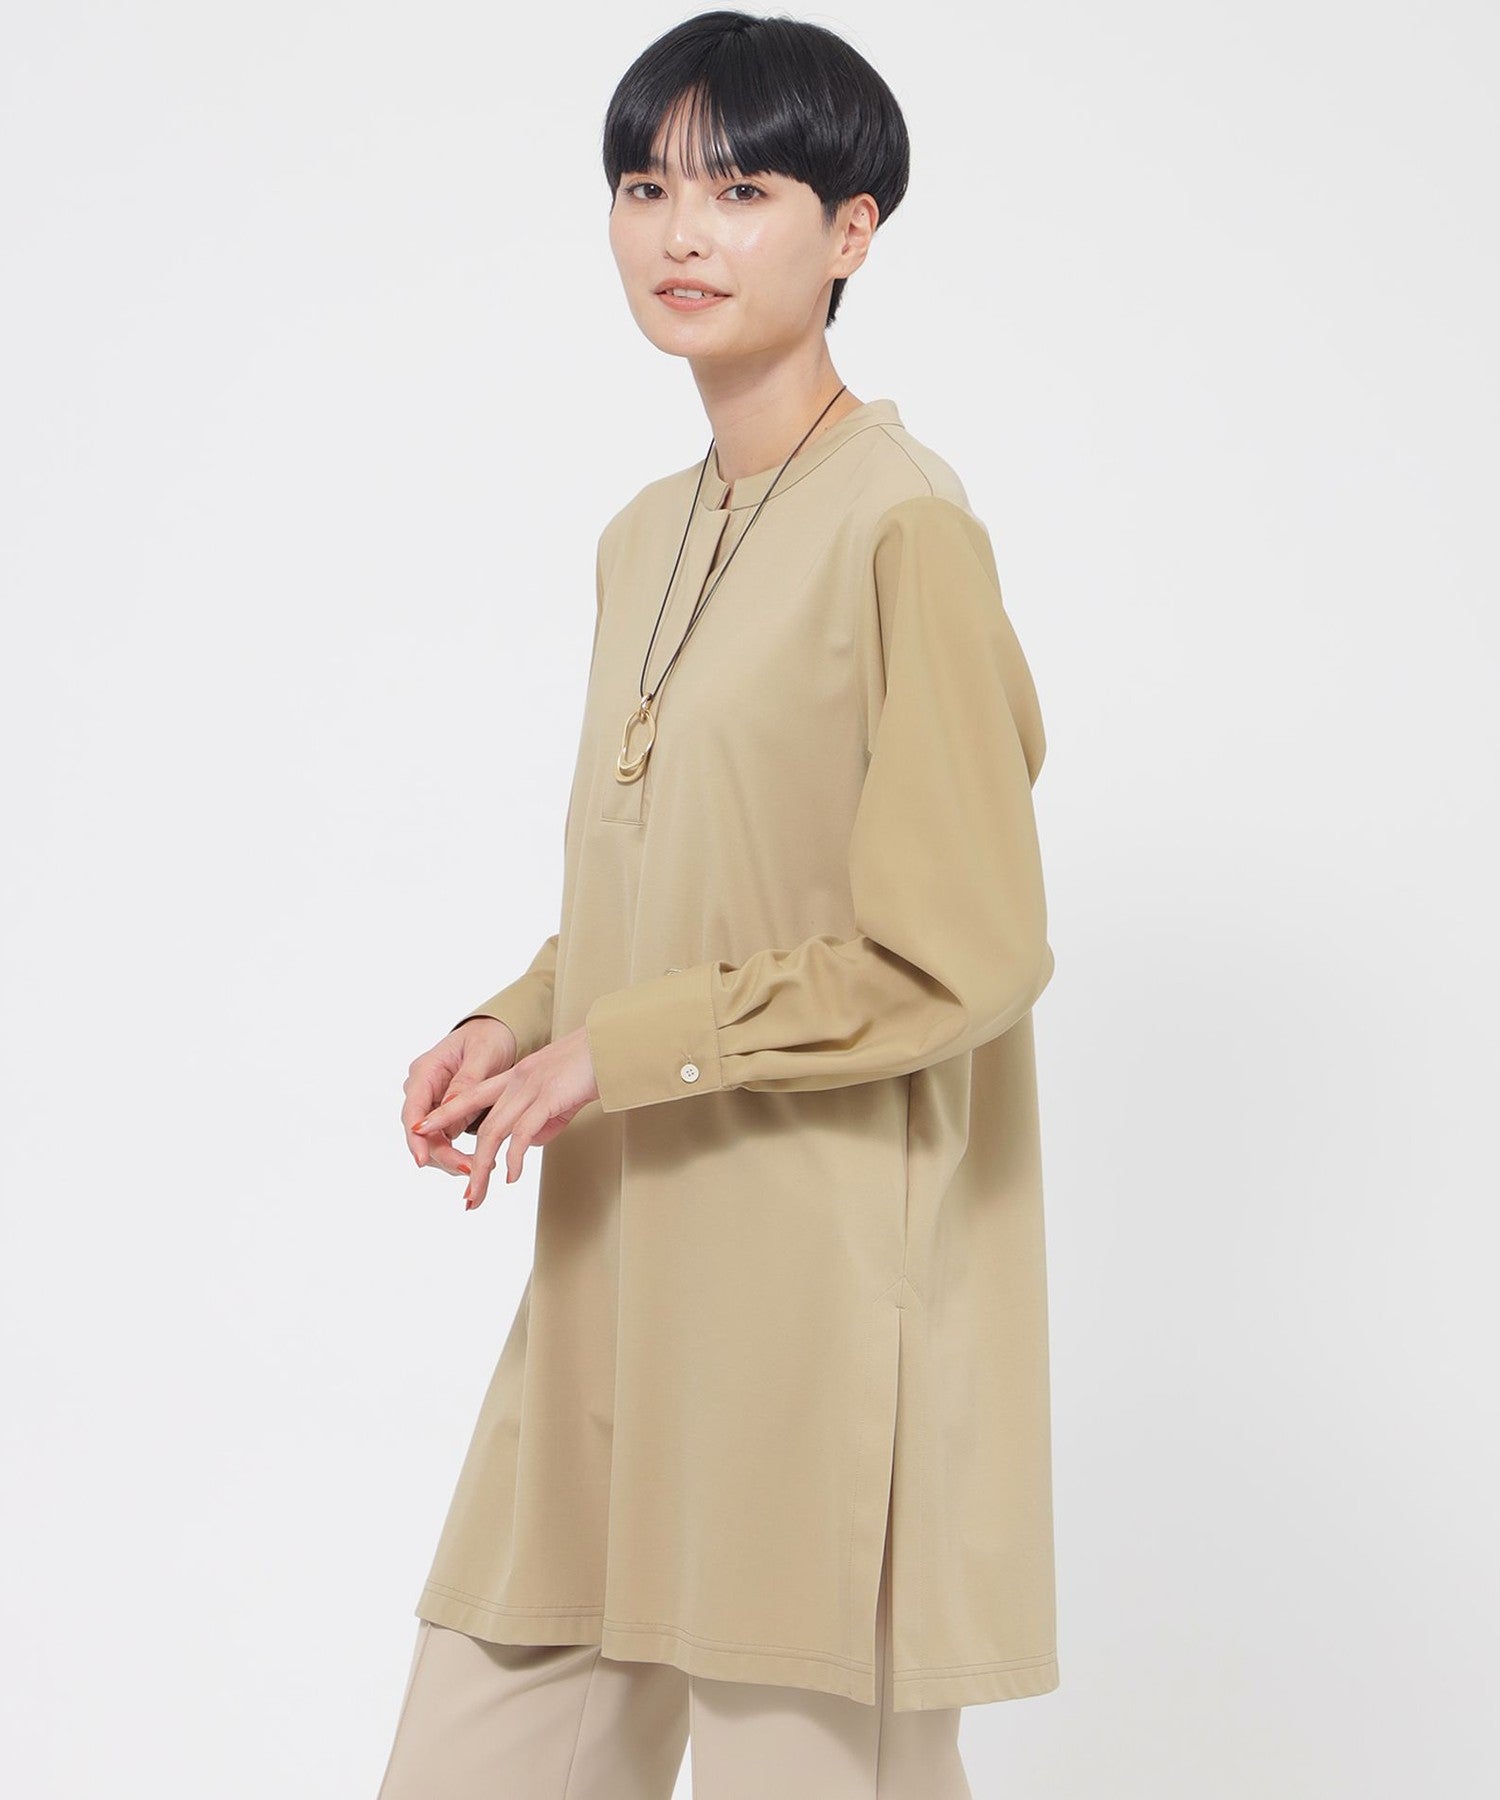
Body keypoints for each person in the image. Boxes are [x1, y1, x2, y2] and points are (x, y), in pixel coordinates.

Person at [378, 11, 1058, 1797]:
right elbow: (664, 888)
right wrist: (516, 1025)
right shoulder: (642, 537)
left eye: (742, 189)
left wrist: (626, 1048)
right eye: (644, 186)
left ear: (852, 233)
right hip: (611, 1277)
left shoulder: (904, 527)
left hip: (814, 1302)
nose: (681, 231)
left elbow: (964, 952)